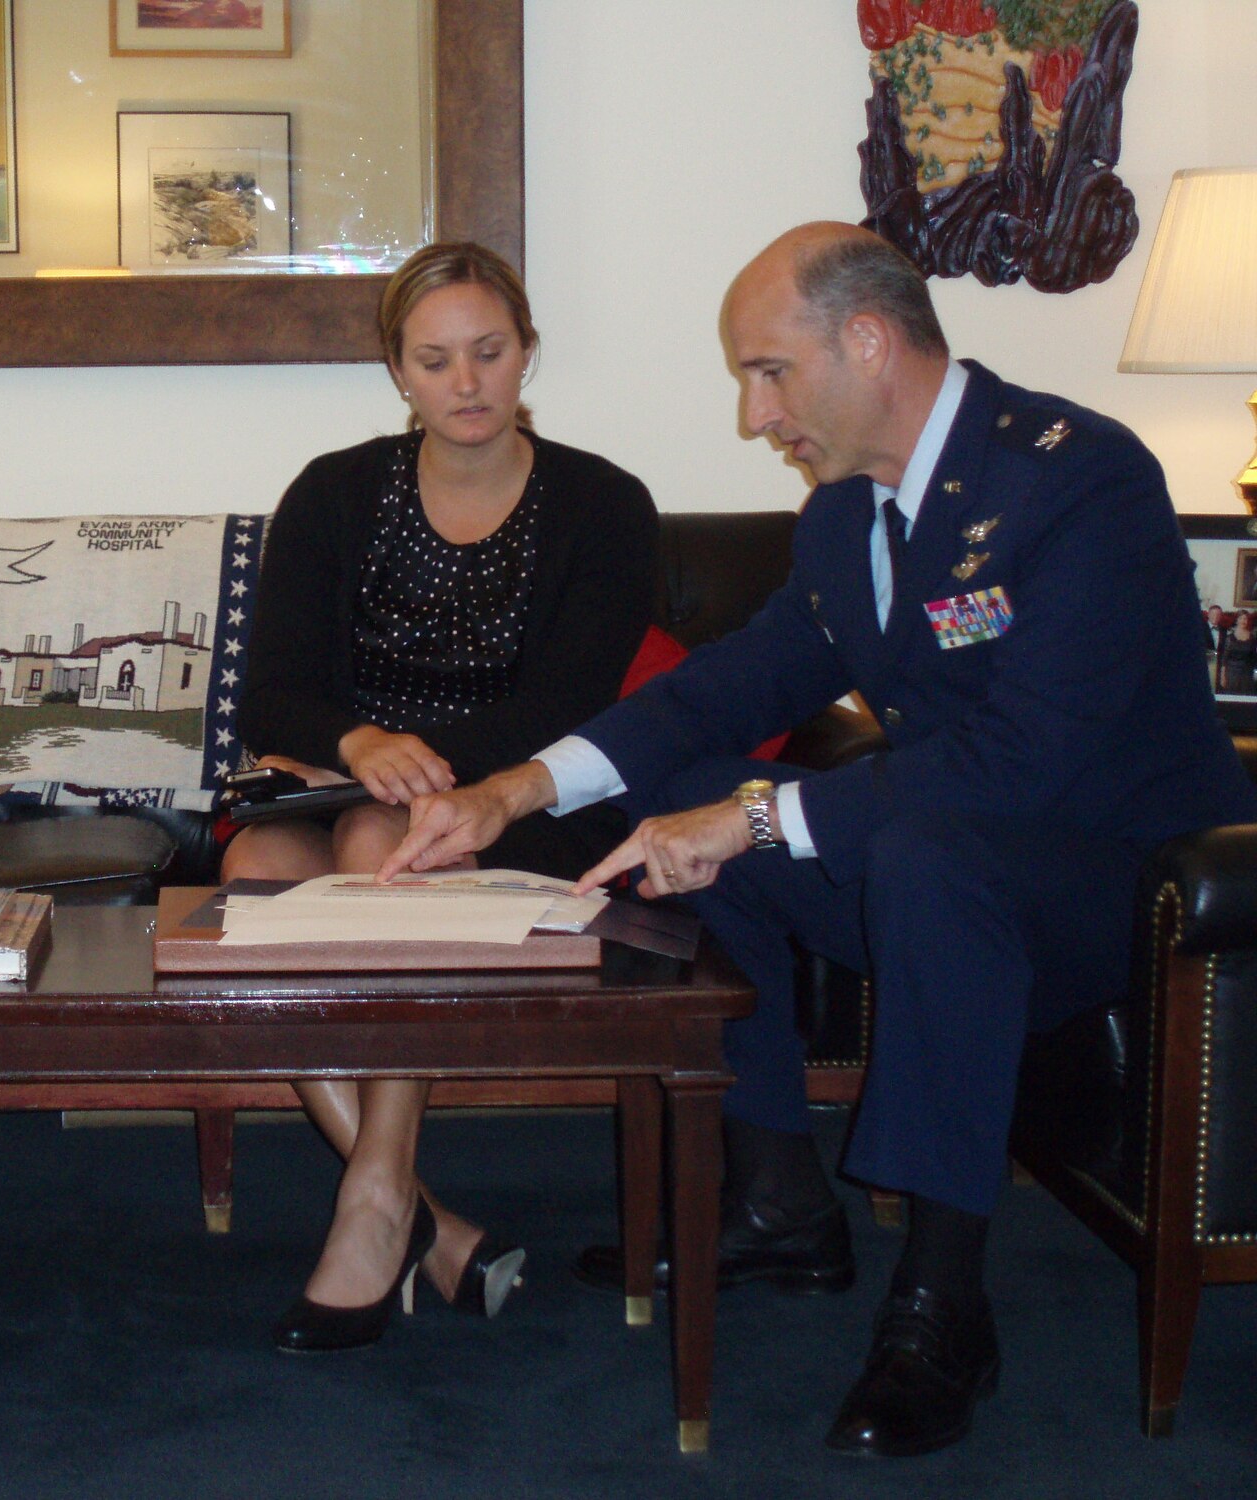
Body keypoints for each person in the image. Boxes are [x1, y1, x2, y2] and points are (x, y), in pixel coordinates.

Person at [380, 223, 1257, 1454]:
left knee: (889, 848)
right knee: (693, 787)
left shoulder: (1077, 477)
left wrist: (752, 819)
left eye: (767, 373)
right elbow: (727, 687)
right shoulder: (847, 515)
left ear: (866, 341)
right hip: (944, 864)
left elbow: (1022, 761)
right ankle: (777, 1200)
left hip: (1126, 887)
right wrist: (512, 793)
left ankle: (940, 1310)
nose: (753, 416)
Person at [230, 241, 658, 1350]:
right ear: (398, 373)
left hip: (523, 808)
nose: (465, 383)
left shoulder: (604, 503)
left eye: (488, 351)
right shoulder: (333, 491)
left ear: (527, 353)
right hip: (341, 786)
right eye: (434, 361)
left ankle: (373, 1206)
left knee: (385, 841)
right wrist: (359, 741)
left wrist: (412, 769)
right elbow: (268, 693)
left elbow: (571, 703)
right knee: (253, 871)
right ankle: (419, 1218)